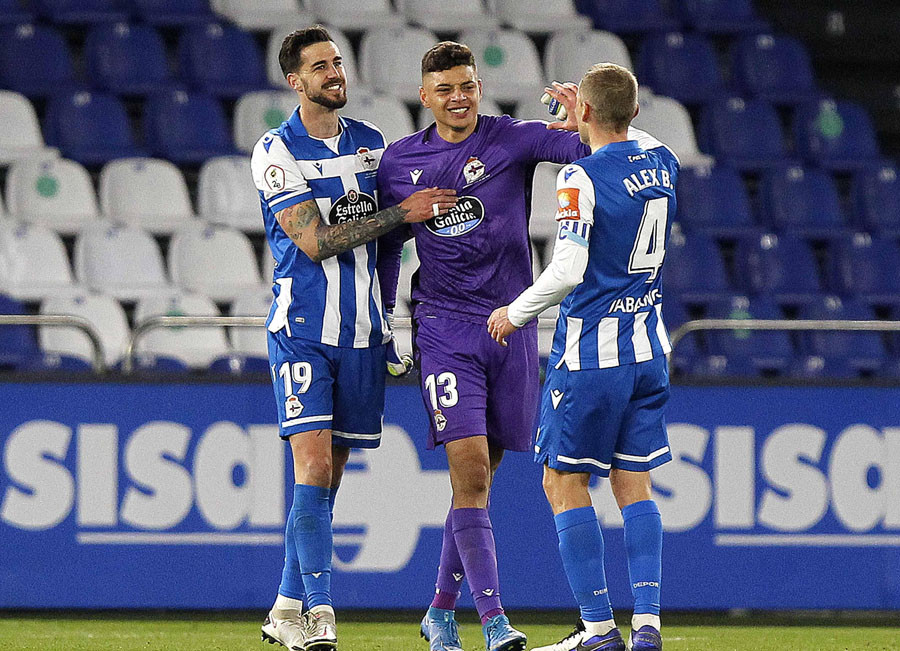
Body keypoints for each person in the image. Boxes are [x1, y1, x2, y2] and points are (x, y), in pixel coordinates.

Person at [376, 42, 589, 651]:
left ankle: (440, 611)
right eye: (445, 89)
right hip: (444, 328)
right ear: (425, 96)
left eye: (467, 86)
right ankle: (495, 622)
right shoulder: (398, 163)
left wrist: (578, 120)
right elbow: (390, 243)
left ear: (477, 87)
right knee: (468, 471)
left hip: (510, 325)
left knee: (479, 481)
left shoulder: (510, 140)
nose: (459, 97)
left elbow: (578, 150)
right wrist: (389, 319)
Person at [250, 26, 456, 651]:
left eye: (337, 62)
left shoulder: (372, 146)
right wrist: (401, 213)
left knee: (328, 481)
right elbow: (313, 242)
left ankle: (285, 606)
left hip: (362, 331)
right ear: (296, 81)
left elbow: (395, 236)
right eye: (320, 66)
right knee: (310, 466)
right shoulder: (275, 150)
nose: (334, 73)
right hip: (305, 330)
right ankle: (320, 615)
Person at [487, 63, 678, 651]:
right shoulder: (663, 162)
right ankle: (647, 624)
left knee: (562, 479)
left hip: (593, 353)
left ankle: (597, 628)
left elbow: (568, 270)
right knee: (634, 481)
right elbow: (634, 136)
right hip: (650, 349)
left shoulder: (579, 177)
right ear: (637, 111)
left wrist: (513, 313)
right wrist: (591, 116)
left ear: (585, 114)